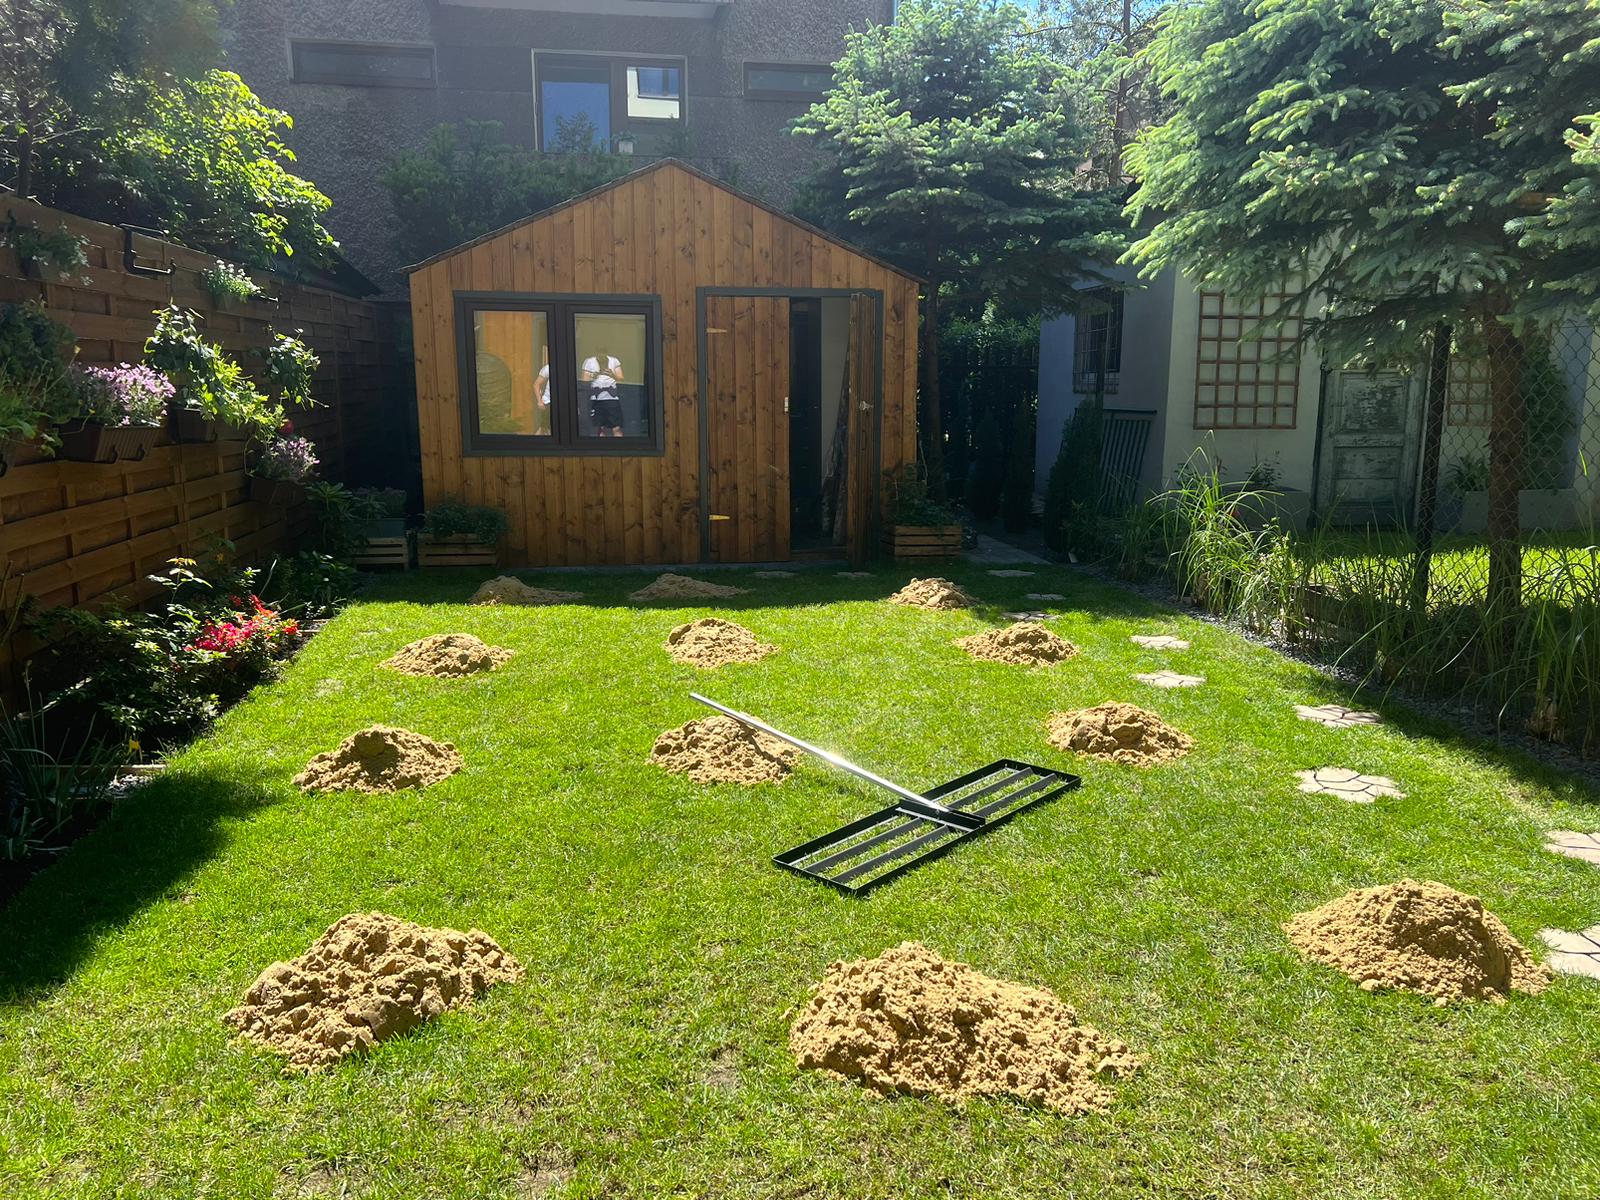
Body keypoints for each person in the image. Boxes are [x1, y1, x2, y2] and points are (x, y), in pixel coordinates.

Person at [581, 349, 625, 436]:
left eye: (603, 352)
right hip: (596, 398)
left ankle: (619, 444)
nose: (601, 354)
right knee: (600, 427)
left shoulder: (614, 360)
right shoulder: (589, 361)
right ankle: (601, 444)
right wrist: (594, 375)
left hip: (612, 398)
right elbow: (584, 380)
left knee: (616, 427)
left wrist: (612, 374)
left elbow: (621, 378)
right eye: (599, 352)